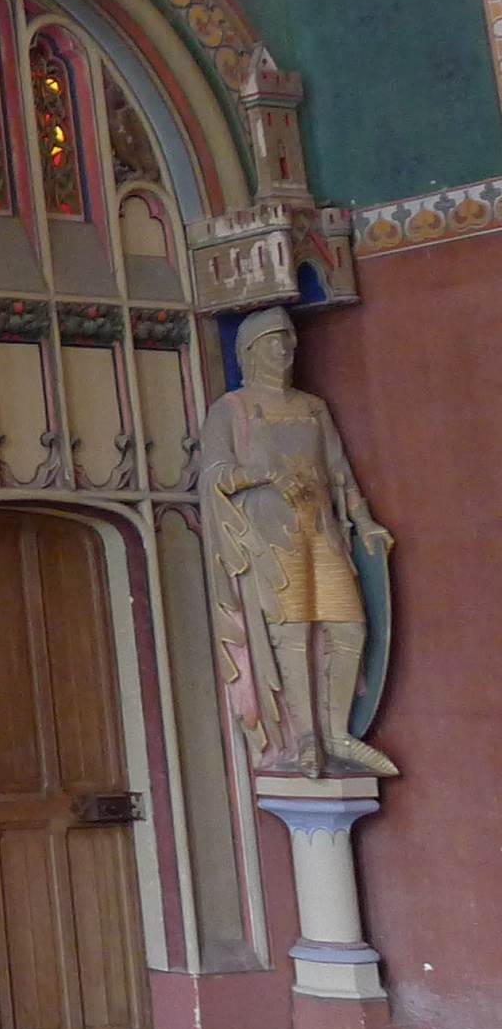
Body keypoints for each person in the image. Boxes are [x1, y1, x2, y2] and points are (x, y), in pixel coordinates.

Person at [201, 306, 396, 776]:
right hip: (270, 536)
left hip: (321, 528)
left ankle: (338, 733)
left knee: (349, 627)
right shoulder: (233, 408)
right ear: (250, 350)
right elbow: (214, 474)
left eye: (288, 337)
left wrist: (364, 520)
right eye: (273, 339)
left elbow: (338, 470)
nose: (285, 347)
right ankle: (307, 738)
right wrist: (261, 473)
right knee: (293, 633)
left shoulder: (313, 407)